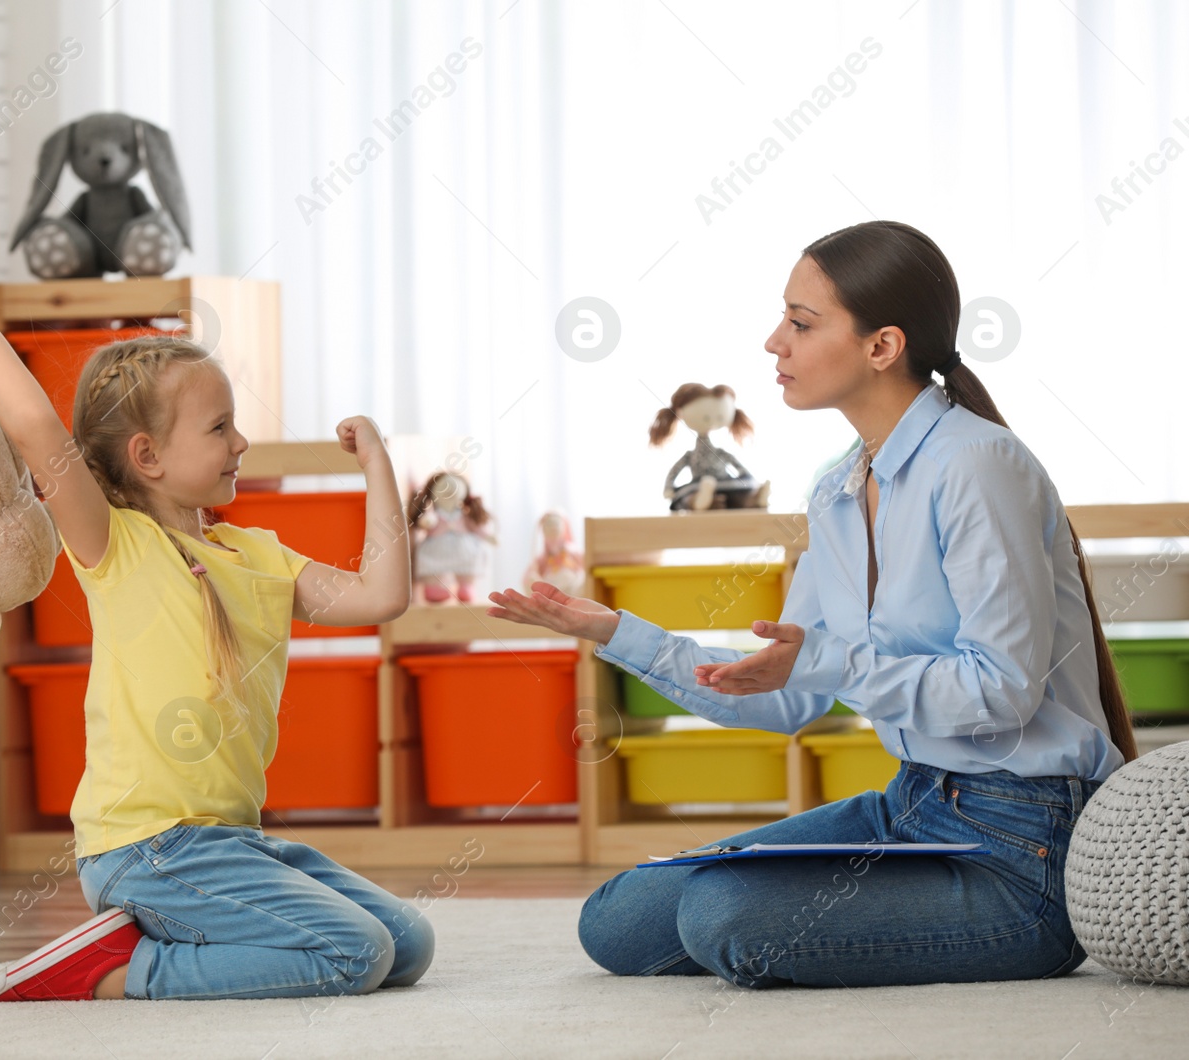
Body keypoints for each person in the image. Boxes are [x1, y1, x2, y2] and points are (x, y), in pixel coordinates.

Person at [487, 220, 1136, 989]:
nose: (773, 342)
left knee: (718, 916)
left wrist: (827, 659)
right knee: (619, 920)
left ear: (881, 346)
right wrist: (618, 633)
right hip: (914, 802)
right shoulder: (836, 489)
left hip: (1021, 846)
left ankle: (1024, 935)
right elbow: (789, 699)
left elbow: (1000, 691)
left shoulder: (975, 466)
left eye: (800, 322)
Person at [0, 288, 432, 1002]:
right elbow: (34, 430)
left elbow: (382, 596)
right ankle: (115, 973)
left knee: (409, 947)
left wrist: (377, 466)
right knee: (354, 953)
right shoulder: (116, 544)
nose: (240, 442)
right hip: (145, 847)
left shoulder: (259, 554)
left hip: (232, 841)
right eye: (220, 427)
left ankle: (167, 932)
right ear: (146, 455)